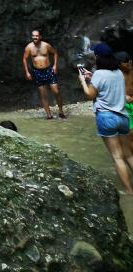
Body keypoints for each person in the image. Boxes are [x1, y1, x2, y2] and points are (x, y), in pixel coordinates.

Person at [78, 43, 133, 194]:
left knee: (117, 157)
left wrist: (83, 80)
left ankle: (129, 191)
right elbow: (108, 85)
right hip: (123, 117)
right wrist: (92, 76)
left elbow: (90, 95)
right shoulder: (119, 73)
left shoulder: (99, 74)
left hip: (107, 118)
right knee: (129, 154)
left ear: (98, 57)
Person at [22, 29, 65, 119]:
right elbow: (24, 59)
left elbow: (55, 53)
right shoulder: (29, 47)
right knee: (43, 94)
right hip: (37, 72)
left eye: (37, 36)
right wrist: (27, 72)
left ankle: (61, 111)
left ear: (40, 37)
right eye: (33, 36)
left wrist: (55, 66)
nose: (35, 37)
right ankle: (49, 115)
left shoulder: (46, 45)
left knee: (56, 91)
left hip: (48, 70)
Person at [115, 51, 133, 152]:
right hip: (123, 106)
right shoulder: (116, 74)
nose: (129, 62)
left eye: (130, 59)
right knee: (129, 134)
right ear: (119, 64)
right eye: (126, 61)